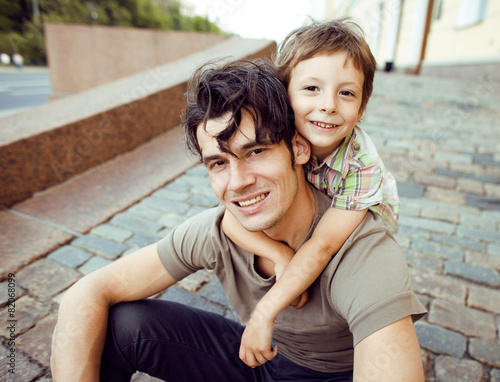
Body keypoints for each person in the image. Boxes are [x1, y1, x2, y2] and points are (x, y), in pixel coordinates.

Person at [51, 58, 426, 381]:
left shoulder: (363, 251)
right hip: (259, 362)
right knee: (125, 326)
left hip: (329, 375)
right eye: (219, 162)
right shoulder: (217, 230)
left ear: (297, 147)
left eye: (256, 151)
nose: (238, 182)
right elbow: (88, 291)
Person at [222, 19, 402, 363]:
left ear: (361, 108)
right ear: (285, 94)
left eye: (346, 93)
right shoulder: (277, 137)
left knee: (331, 267)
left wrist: (264, 312)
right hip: (309, 215)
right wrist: (279, 256)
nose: (329, 105)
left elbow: (323, 245)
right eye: (312, 89)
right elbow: (230, 219)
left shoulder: (362, 167)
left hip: (354, 225)